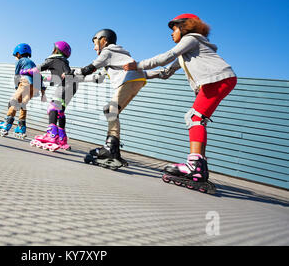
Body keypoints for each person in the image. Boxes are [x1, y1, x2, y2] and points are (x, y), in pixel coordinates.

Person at [124, 14, 237, 193]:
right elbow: (166, 72)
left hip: (218, 80)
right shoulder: (187, 54)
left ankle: (195, 166)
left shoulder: (191, 39)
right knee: (196, 118)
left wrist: (137, 65)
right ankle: (199, 165)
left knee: (194, 117)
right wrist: (140, 75)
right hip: (222, 80)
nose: (171, 34)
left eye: (174, 28)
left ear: (186, 27)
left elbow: (166, 56)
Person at [75, 29, 146, 170]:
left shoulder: (108, 52)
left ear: (104, 40)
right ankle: (111, 147)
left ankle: (111, 149)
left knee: (110, 110)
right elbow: (98, 76)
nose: (94, 47)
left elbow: (90, 68)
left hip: (131, 80)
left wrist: (73, 72)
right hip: (136, 80)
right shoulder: (117, 55)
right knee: (111, 110)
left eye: (96, 43)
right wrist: (78, 78)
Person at [25, 41, 105, 151]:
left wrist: (25, 71)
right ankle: (62, 139)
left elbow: (36, 69)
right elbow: (58, 77)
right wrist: (43, 79)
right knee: (60, 111)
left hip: (65, 85)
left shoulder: (53, 60)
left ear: (55, 50)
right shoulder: (63, 63)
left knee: (52, 107)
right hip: (73, 86)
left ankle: (51, 135)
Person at [0, 43, 43, 138]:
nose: (15, 57)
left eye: (16, 55)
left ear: (18, 54)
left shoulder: (21, 61)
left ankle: (6, 124)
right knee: (23, 104)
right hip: (35, 85)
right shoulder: (32, 62)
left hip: (25, 82)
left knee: (14, 102)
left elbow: (17, 76)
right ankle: (21, 127)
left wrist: (16, 87)